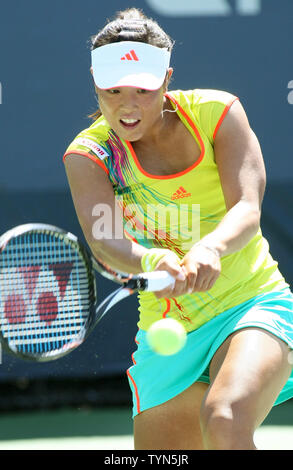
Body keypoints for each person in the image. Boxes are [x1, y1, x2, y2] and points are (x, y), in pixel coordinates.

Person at [63, 8, 293, 450]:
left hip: (250, 303)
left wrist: (211, 248)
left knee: (224, 418)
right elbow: (104, 239)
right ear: (94, 82)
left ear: (167, 78)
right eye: (112, 90)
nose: (127, 105)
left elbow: (247, 207)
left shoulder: (217, 114)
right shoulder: (88, 154)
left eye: (143, 90)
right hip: (168, 329)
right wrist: (151, 259)